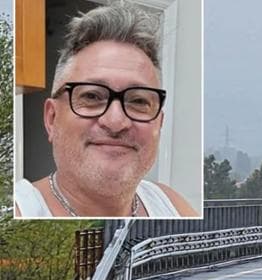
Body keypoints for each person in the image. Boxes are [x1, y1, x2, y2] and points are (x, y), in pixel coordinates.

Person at [14, 1, 197, 218]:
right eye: (91, 96)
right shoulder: (20, 209)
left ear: (159, 123)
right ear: (52, 119)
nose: (116, 121)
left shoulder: (171, 204)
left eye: (138, 101)